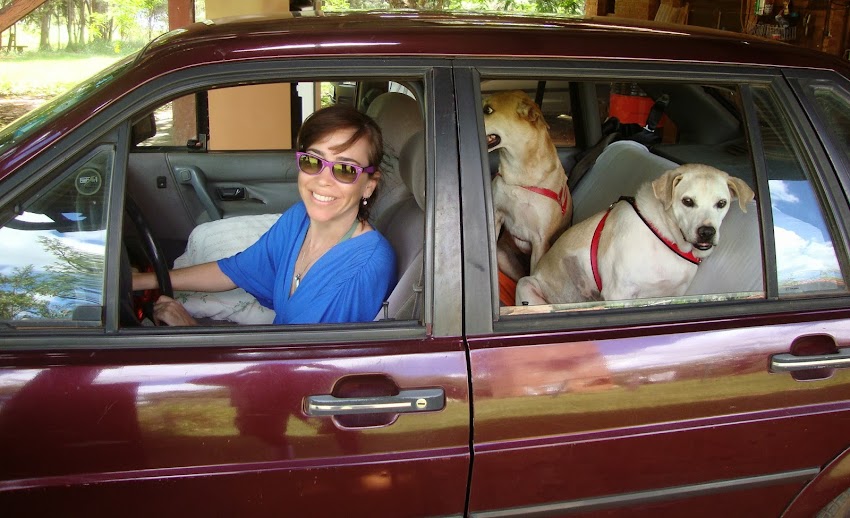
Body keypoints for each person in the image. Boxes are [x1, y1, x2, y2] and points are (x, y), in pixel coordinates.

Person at [133, 104, 397, 326]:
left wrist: (190, 331)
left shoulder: (366, 266)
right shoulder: (300, 219)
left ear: (369, 185)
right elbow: (235, 270)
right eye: (312, 161)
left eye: (345, 170)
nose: (323, 180)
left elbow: (304, 361)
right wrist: (144, 280)